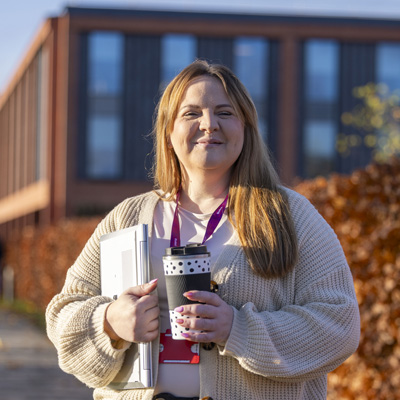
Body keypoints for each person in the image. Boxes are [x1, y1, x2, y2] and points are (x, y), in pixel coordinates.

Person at [46, 60, 360, 400]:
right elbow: (63, 314)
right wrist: (109, 321)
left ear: (246, 127)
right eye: (191, 113)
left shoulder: (290, 215)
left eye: (225, 113)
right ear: (169, 132)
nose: (209, 124)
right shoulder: (129, 216)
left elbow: (339, 325)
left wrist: (236, 329)